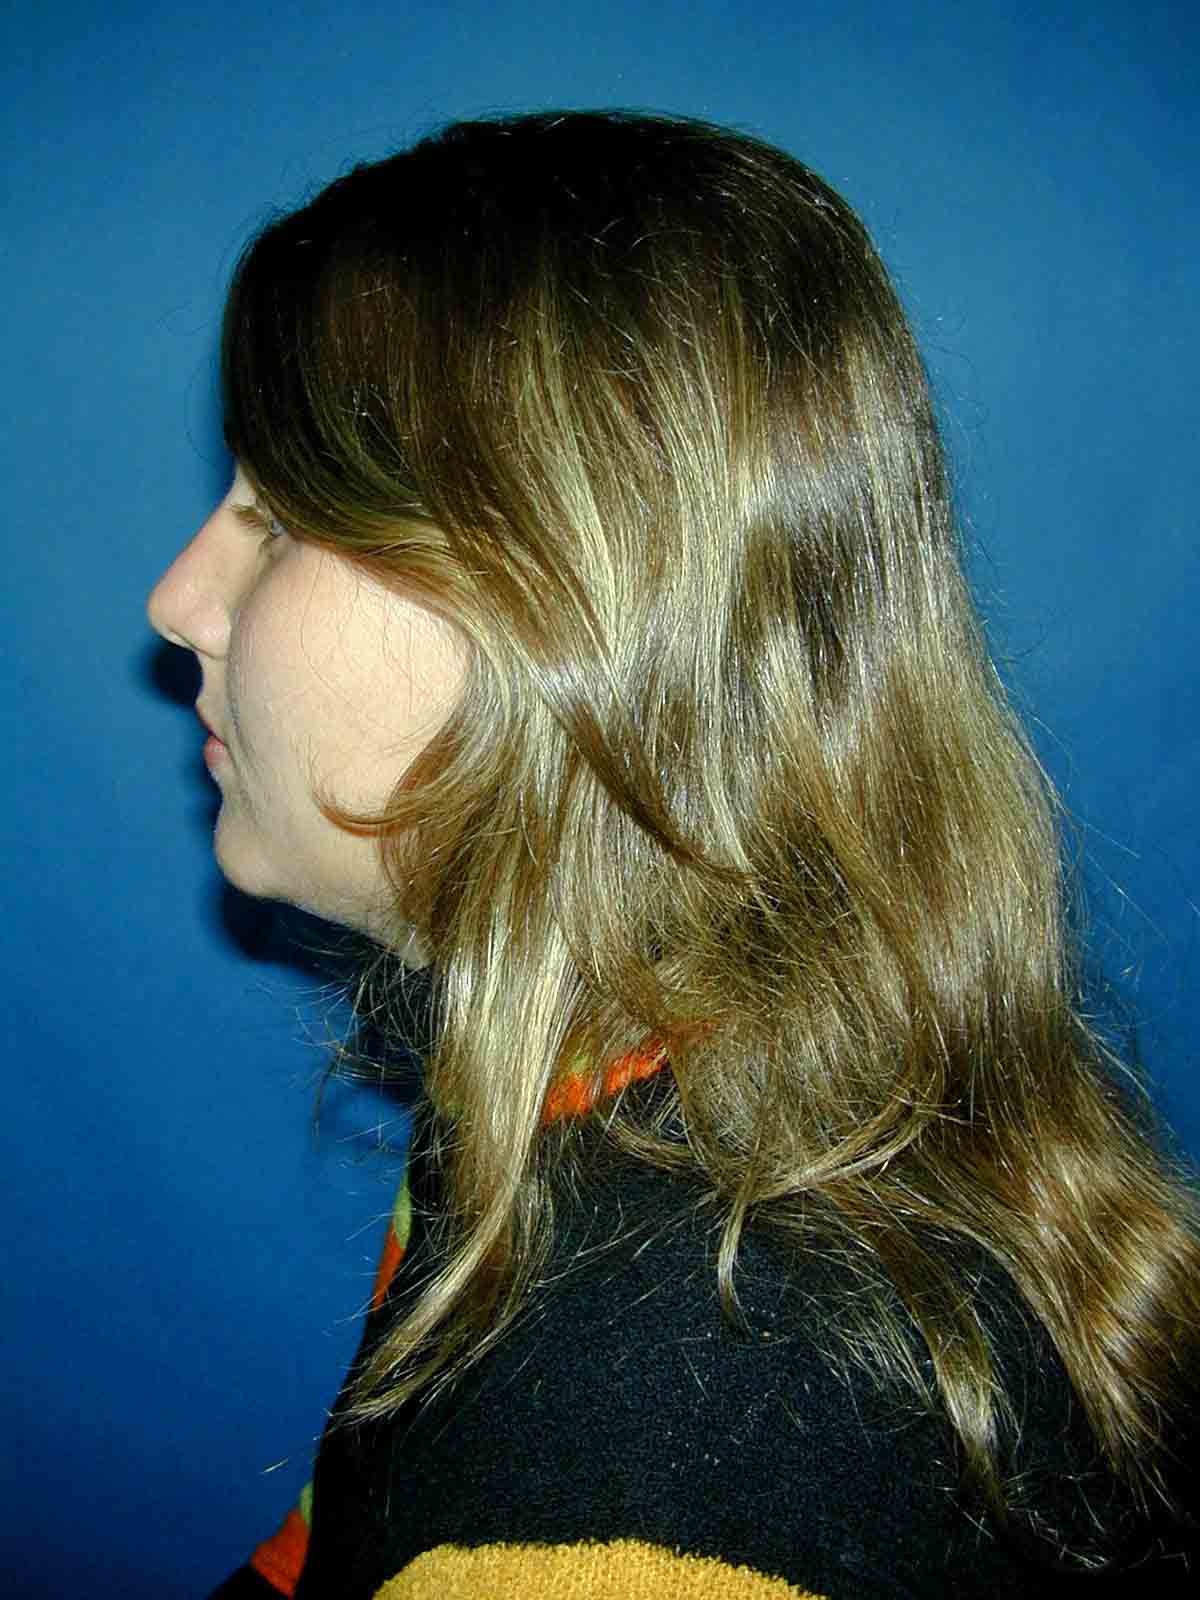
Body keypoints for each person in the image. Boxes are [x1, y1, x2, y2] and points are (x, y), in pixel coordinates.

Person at [148, 111, 1199, 1599]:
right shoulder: (601, 1074)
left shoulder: (635, 1477)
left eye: (274, 519)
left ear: (559, 609)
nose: (180, 599)